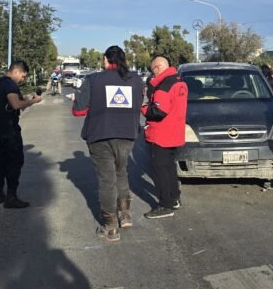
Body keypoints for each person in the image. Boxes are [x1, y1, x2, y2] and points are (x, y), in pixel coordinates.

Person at [72, 46, 143, 242]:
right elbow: (139, 106)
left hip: (101, 135)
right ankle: (125, 214)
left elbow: (78, 111)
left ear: (105, 60)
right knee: (121, 172)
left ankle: (111, 227)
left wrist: (78, 99)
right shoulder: (136, 80)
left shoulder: (94, 79)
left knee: (106, 180)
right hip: (128, 135)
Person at [0, 59, 42, 209]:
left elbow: (12, 105)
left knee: (1, 160)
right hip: (9, 128)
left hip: (0, 125)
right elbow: (16, 104)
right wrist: (34, 101)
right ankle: (11, 198)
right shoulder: (10, 84)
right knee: (15, 161)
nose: (23, 79)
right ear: (16, 71)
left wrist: (26, 100)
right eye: (23, 76)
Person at [141, 56, 188, 219]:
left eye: (152, 70)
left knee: (159, 169)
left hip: (161, 133)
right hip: (175, 132)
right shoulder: (179, 81)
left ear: (158, 67)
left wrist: (144, 108)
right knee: (169, 168)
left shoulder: (164, 86)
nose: (152, 75)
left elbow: (158, 112)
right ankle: (174, 198)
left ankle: (165, 205)